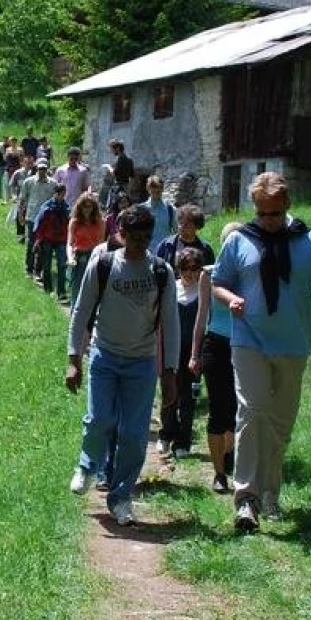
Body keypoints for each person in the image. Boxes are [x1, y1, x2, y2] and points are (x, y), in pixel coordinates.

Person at [210, 171, 311, 532]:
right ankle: (246, 499)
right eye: (262, 214)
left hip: (293, 344)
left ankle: (271, 493)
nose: (268, 222)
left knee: (280, 424)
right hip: (249, 341)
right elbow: (218, 283)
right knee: (253, 411)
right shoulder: (240, 240)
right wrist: (232, 300)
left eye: (274, 214)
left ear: (287, 206)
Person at [66, 204, 181, 526]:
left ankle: (121, 497)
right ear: (121, 234)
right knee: (100, 418)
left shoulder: (161, 272)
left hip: (141, 362)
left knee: (133, 433)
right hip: (104, 355)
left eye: (146, 238)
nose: (140, 244)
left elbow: (171, 324)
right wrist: (74, 358)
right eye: (134, 238)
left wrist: (169, 372)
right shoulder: (103, 264)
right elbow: (81, 311)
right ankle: (87, 467)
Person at [193, 223, 243, 494]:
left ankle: (232, 459)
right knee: (217, 408)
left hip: (244, 346)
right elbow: (201, 317)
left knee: (238, 409)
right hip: (216, 345)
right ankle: (219, 473)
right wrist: (194, 354)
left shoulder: (249, 276)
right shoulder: (208, 275)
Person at [160, 246, 206, 463]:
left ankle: (183, 440)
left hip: (193, 351)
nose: (189, 273)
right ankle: (166, 432)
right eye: (185, 268)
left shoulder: (205, 291)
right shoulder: (171, 289)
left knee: (188, 397)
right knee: (169, 392)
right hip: (170, 348)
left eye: (194, 268)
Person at [32, 182, 72, 301]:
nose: (62, 196)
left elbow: (70, 224)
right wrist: (38, 240)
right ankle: (48, 289)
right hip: (47, 239)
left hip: (61, 240)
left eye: (64, 194)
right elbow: (39, 224)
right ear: (56, 193)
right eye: (61, 194)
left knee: (61, 265)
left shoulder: (66, 208)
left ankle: (61, 292)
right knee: (47, 265)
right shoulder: (46, 207)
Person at [19, 160, 55, 279]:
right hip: (32, 216)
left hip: (46, 219)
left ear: (47, 170)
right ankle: (29, 268)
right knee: (31, 242)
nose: (42, 171)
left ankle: (38, 270)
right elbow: (23, 199)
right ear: (36, 169)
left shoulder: (53, 184)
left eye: (44, 169)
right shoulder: (28, 182)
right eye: (40, 169)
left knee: (43, 244)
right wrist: (21, 214)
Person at [68, 192, 105, 303]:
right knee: (77, 289)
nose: (87, 209)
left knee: (93, 289)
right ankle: (74, 315)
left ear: (94, 207)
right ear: (80, 207)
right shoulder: (74, 222)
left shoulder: (101, 222)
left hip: (94, 256)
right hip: (79, 257)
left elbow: (101, 242)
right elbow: (70, 243)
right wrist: (70, 258)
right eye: (84, 206)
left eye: (90, 206)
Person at [157, 203, 214, 269]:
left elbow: (210, 273)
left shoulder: (206, 249)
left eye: (186, 225)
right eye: (180, 223)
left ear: (196, 226)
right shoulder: (166, 245)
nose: (182, 227)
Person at [141, 175, 177, 255]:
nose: (155, 194)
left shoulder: (170, 209)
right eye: (153, 191)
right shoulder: (142, 209)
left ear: (162, 189)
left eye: (158, 191)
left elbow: (176, 232)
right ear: (148, 189)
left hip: (165, 251)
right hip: (146, 252)